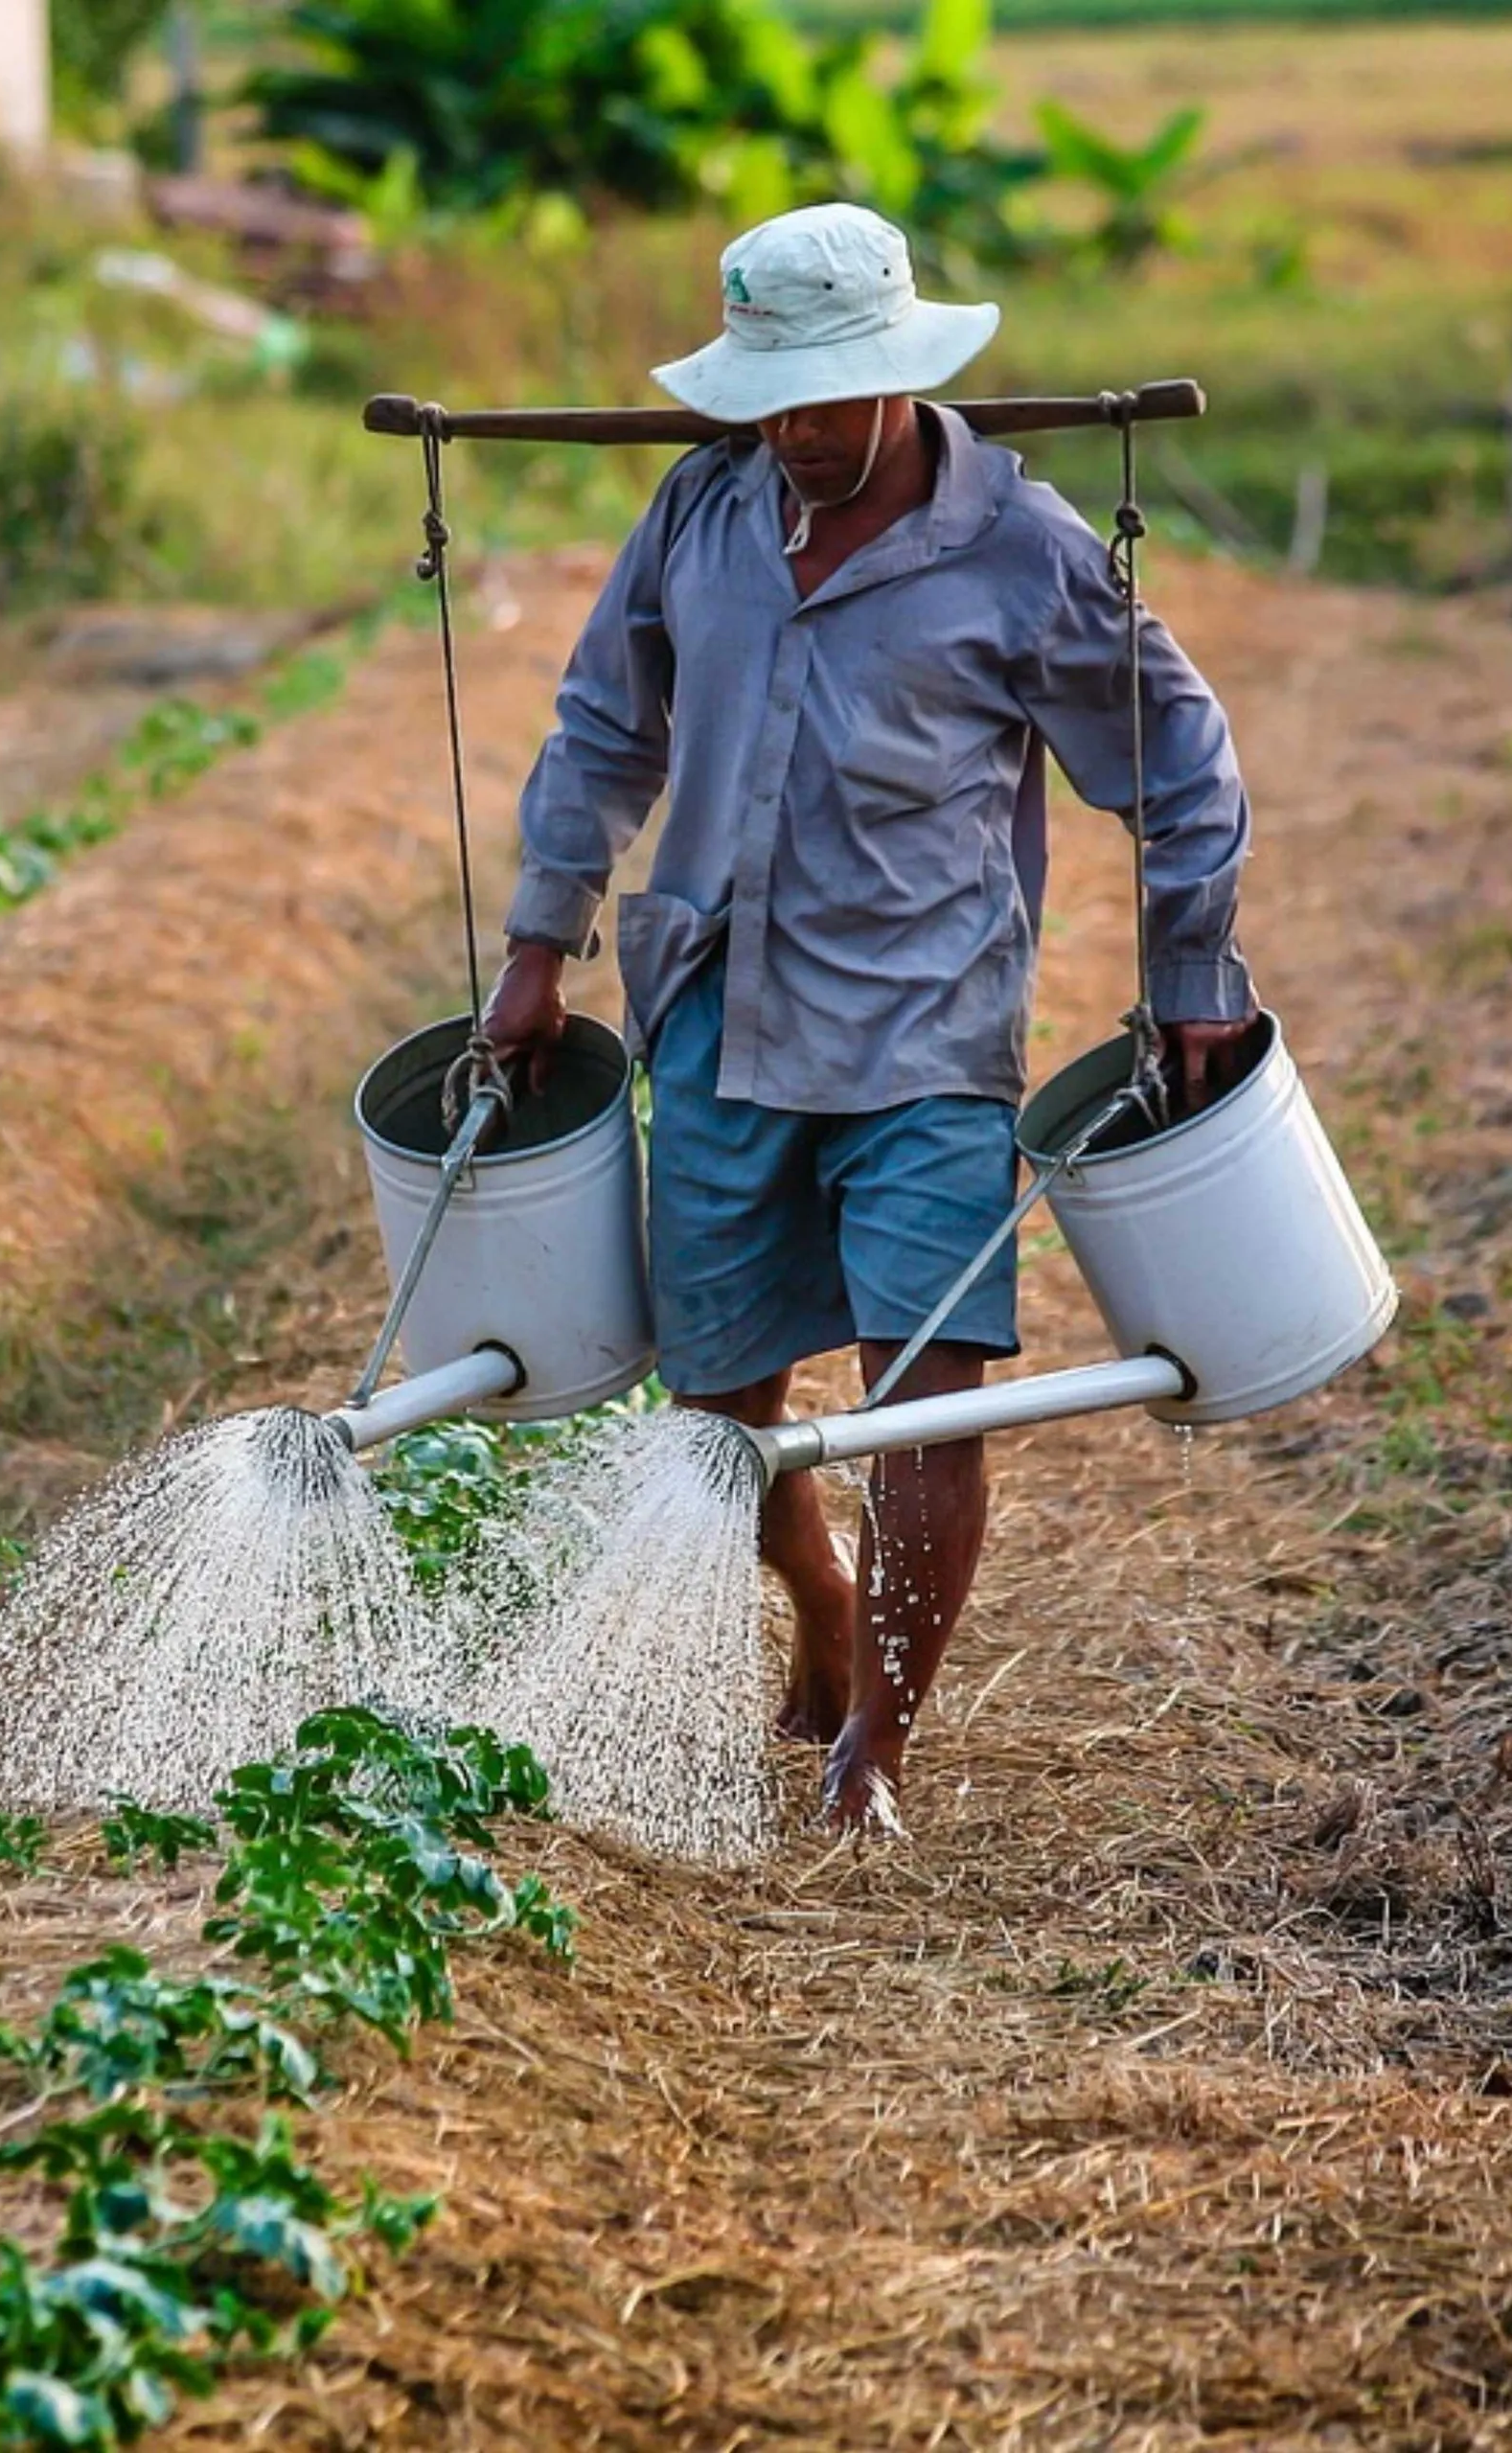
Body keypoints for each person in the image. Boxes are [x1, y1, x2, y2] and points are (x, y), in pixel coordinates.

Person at [479, 201, 1266, 1835]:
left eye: (829, 400)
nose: (800, 433)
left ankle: (874, 1755)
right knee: (719, 1409)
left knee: (930, 1394)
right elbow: (601, 729)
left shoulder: (1022, 553)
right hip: (715, 1015)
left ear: (905, 375)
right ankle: (822, 1607)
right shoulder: (701, 512)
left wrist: (1191, 973)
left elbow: (1182, 766)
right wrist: (538, 943)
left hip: (926, 1034)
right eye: (773, 400)